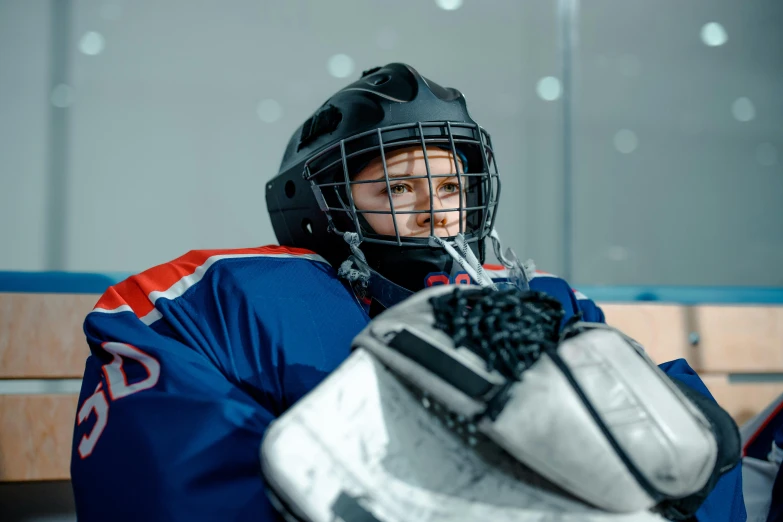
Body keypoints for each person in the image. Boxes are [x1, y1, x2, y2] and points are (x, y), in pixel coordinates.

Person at [70, 63, 745, 521]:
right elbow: (167, 471)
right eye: (396, 188)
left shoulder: (539, 300)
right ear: (320, 205)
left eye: (450, 186)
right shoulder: (219, 298)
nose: (435, 212)